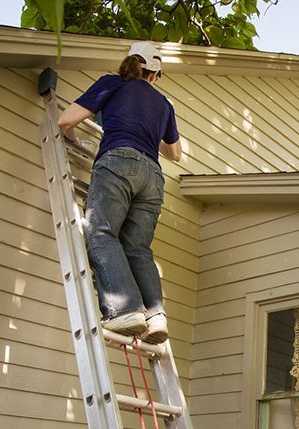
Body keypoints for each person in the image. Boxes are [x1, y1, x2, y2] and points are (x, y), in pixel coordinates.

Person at [58, 41, 182, 342]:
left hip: (119, 159)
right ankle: (155, 318)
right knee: (137, 248)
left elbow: (65, 120)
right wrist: (151, 129)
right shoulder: (164, 104)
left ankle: (125, 310)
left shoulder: (112, 83)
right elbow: (175, 153)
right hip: (153, 176)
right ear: (154, 74)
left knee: (101, 233)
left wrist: (73, 141)